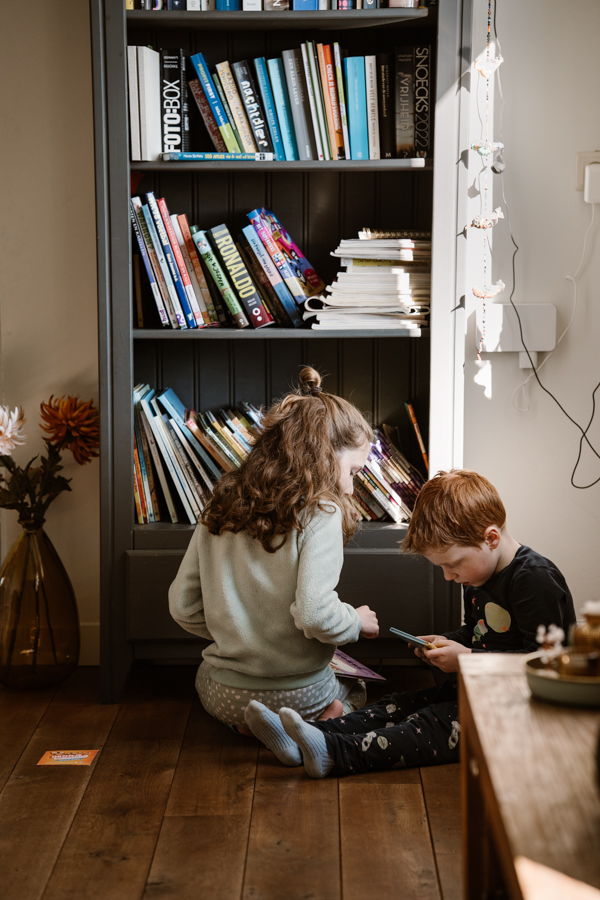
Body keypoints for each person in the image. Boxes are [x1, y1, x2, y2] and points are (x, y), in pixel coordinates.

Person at [244, 469, 576, 776]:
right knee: (397, 705)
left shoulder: (534, 580)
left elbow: (545, 665)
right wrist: (446, 642)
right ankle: (306, 736)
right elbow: (478, 635)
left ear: (490, 538)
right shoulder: (477, 577)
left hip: (522, 710)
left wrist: (467, 660)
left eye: (453, 564)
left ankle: (333, 752)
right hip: (477, 692)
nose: (448, 575)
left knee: (430, 724)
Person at [168, 367, 379, 739]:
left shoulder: (222, 501)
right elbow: (315, 615)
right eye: (353, 471)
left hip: (225, 696)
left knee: (208, 676)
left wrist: (238, 634)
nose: (349, 488)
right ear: (325, 457)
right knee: (356, 688)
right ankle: (320, 724)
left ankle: (252, 727)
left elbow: (183, 606)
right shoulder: (321, 513)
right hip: (302, 694)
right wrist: (356, 622)